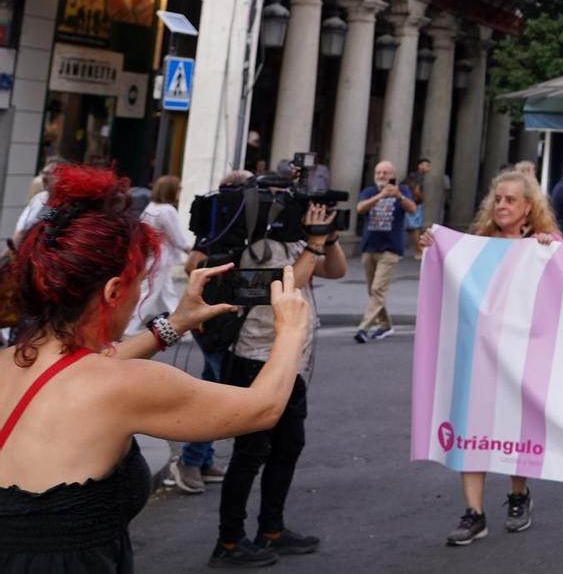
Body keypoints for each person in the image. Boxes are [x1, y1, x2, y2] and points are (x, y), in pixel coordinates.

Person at [0, 165, 310, 574]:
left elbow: (73, 378)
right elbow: (263, 407)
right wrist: (290, 329)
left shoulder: (16, 359)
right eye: (139, 283)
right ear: (113, 291)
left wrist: (174, 324)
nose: (140, 295)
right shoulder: (121, 387)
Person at [197, 177, 347, 568]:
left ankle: (272, 530)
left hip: (290, 363)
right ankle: (229, 541)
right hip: (255, 360)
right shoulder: (260, 245)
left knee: (287, 448)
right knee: (251, 454)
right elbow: (286, 285)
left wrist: (326, 238)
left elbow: (336, 271)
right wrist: (312, 245)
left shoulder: (296, 240)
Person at [440, 170, 561, 546]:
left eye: (511, 200)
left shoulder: (547, 242)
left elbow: (562, 288)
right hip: (480, 352)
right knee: (471, 425)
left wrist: (547, 251)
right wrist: (435, 248)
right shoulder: (474, 246)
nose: (502, 205)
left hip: (524, 354)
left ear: (528, 207)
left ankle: (518, 494)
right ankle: (474, 514)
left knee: (515, 427)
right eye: (498, 199)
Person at [172, 169, 255, 495]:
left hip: (228, 320)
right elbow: (194, 263)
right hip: (214, 322)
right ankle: (191, 459)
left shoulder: (236, 228)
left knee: (213, 386)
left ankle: (201, 458)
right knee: (217, 394)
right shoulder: (217, 227)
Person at [352, 160, 417, 343]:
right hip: (369, 246)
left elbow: (412, 209)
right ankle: (385, 325)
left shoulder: (402, 191)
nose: (381, 176)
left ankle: (363, 328)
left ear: (393, 176)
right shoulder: (369, 192)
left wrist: (399, 196)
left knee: (378, 289)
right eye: (378, 172)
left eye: (385, 173)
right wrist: (380, 196)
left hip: (391, 248)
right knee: (373, 290)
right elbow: (359, 208)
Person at [128, 174, 194, 335]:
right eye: (178, 189)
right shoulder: (168, 210)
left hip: (151, 254)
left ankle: (179, 321)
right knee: (150, 293)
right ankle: (130, 327)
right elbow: (177, 237)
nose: (179, 192)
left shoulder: (151, 207)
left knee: (165, 291)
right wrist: (189, 251)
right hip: (161, 257)